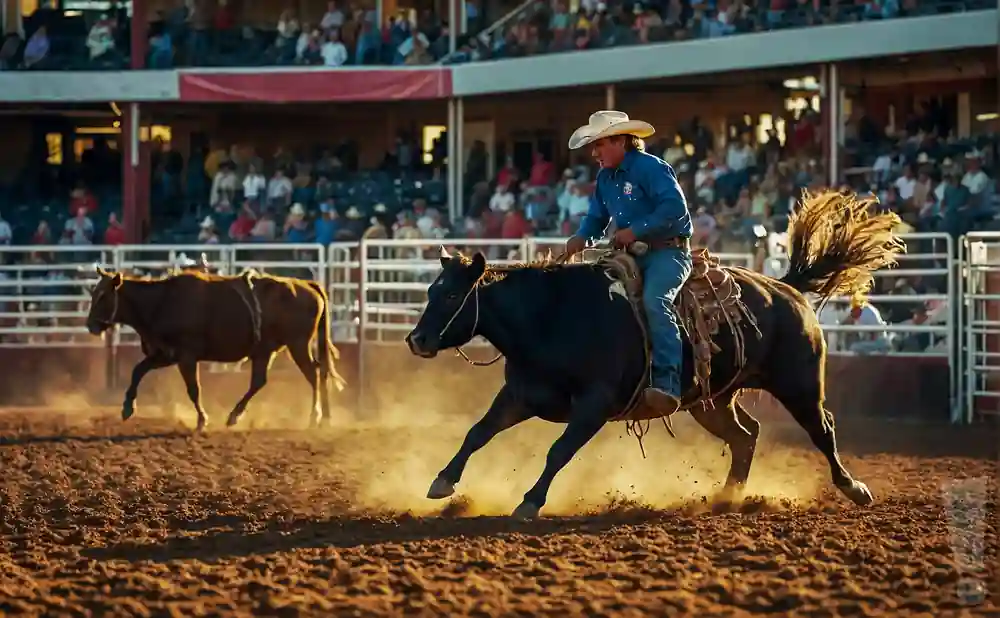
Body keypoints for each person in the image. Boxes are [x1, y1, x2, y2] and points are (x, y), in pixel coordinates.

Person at [562, 110, 693, 415]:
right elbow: (596, 217)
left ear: (620, 141)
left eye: (599, 145)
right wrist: (582, 236)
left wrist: (635, 230)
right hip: (631, 255)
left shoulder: (651, 168)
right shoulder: (606, 177)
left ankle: (667, 383)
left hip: (668, 253)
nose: (594, 153)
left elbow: (674, 208)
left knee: (655, 300)